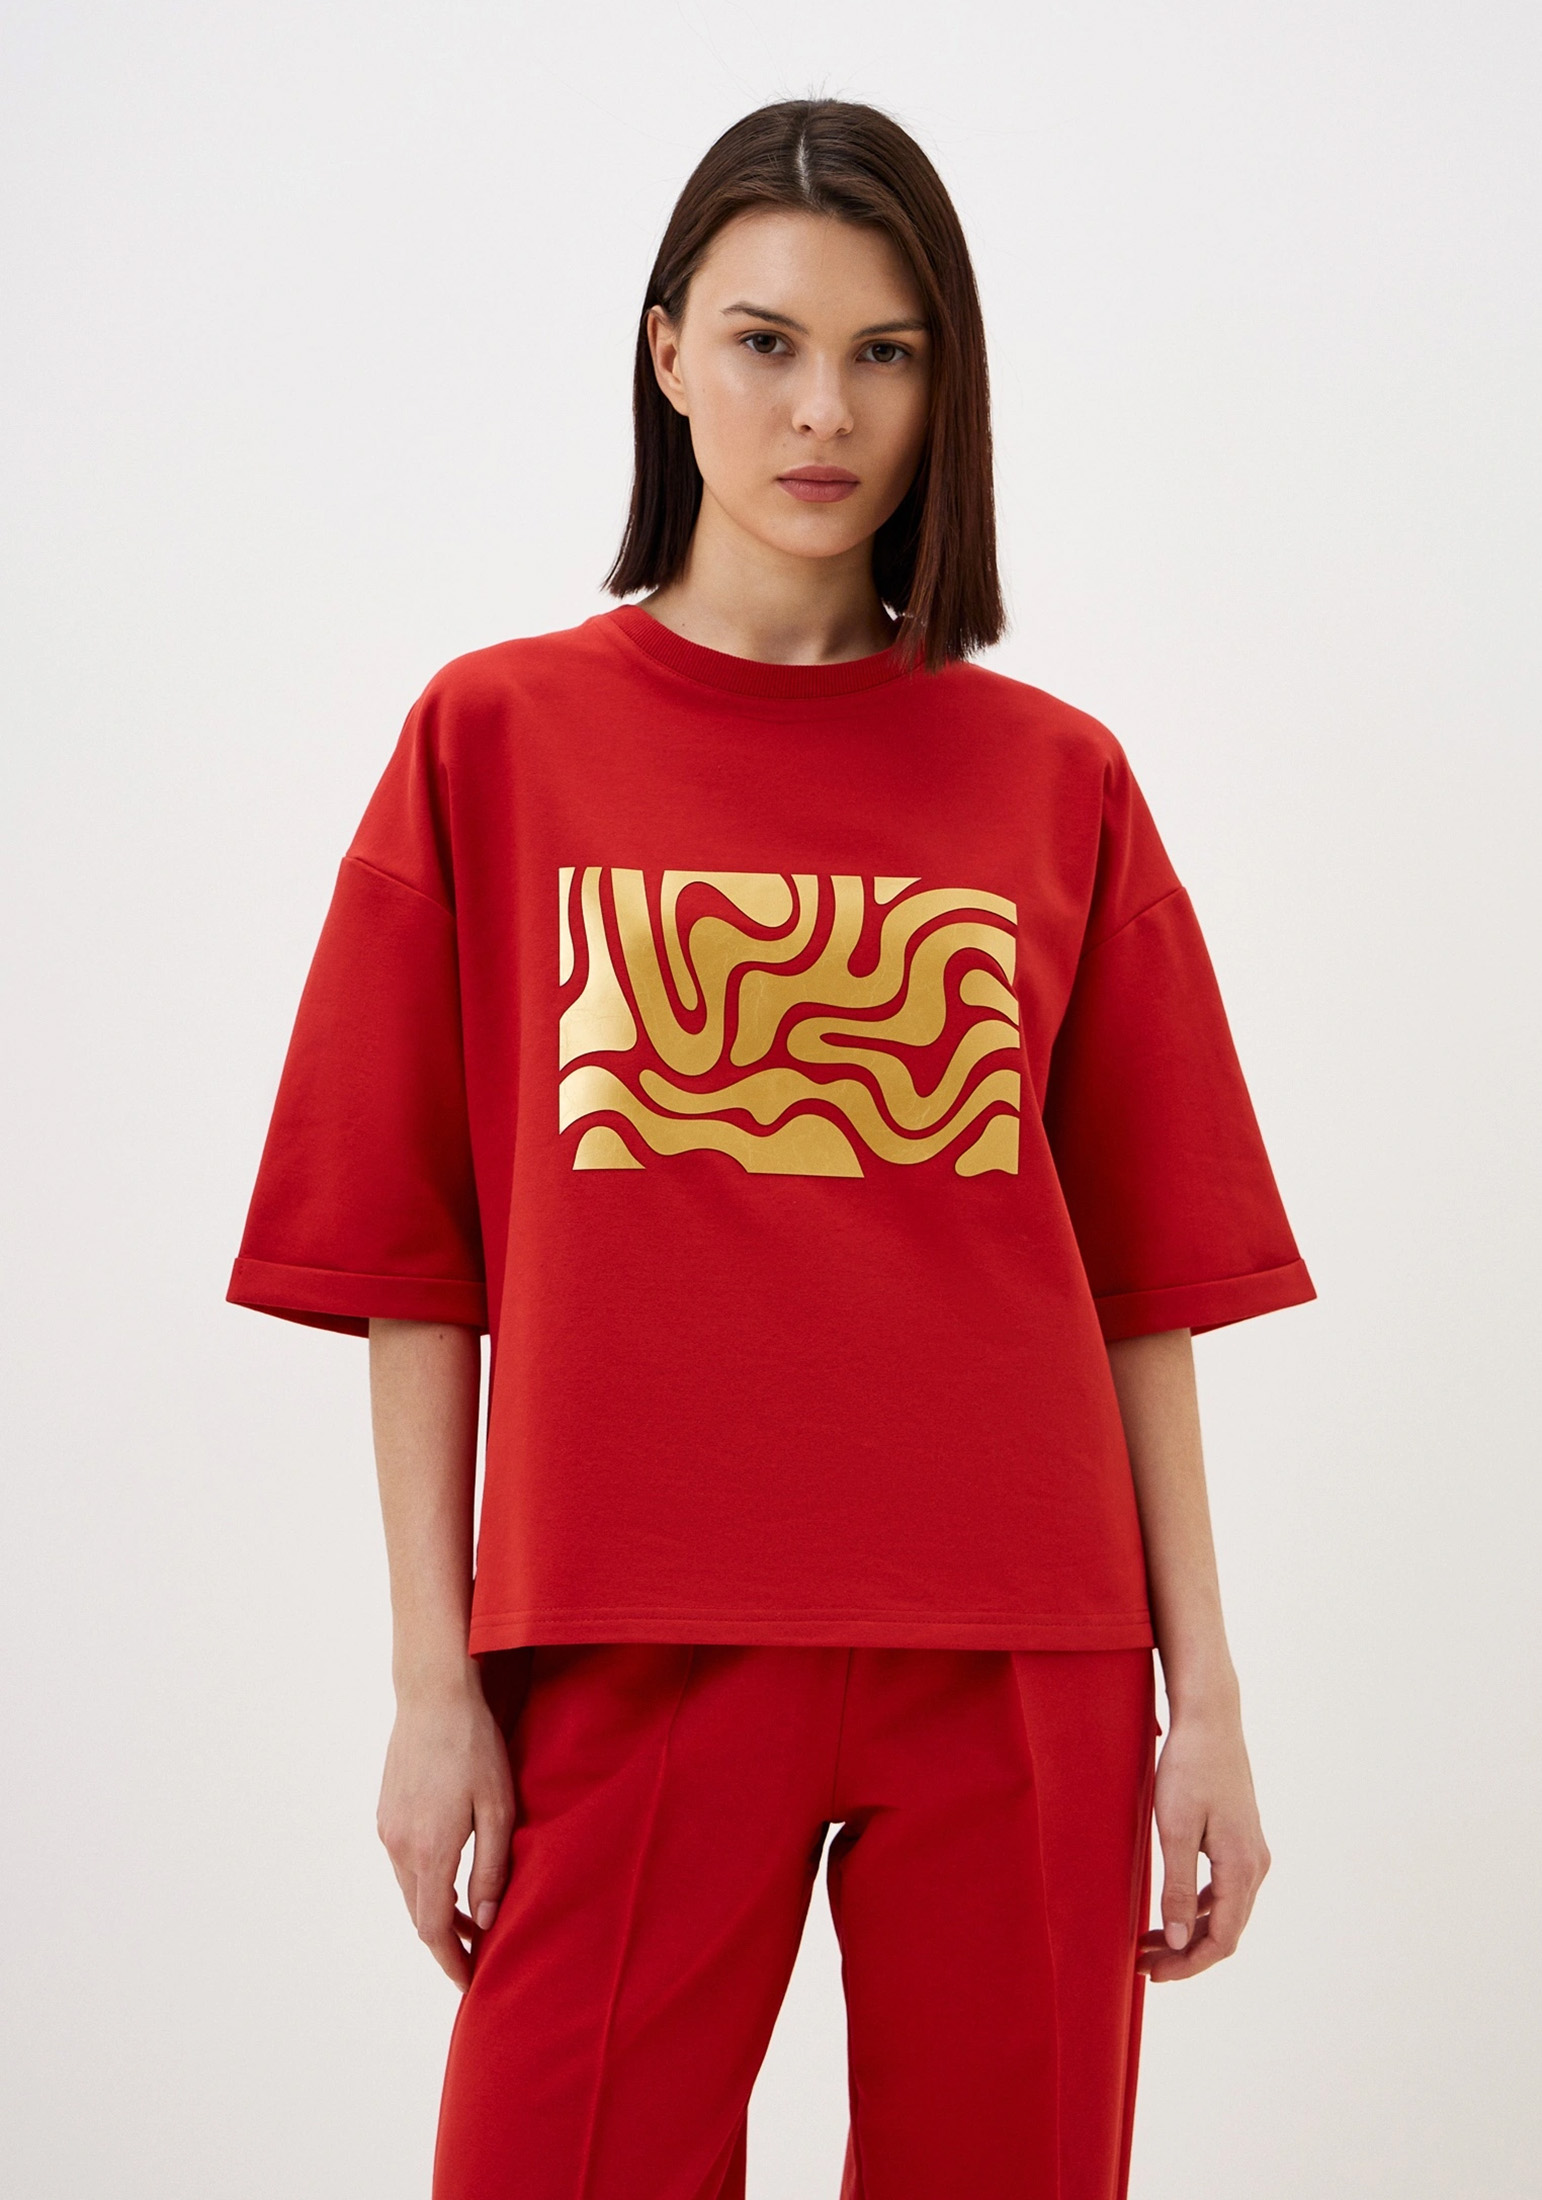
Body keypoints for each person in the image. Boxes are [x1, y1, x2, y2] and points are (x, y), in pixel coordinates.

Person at [228, 97, 1314, 2200]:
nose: (824, 409)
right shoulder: (493, 738)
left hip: (1018, 1637)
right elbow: (409, 1258)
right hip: (624, 1636)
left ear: (944, 383)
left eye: (885, 352)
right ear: (665, 355)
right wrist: (433, 1683)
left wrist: (1210, 1700)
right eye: (765, 342)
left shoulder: (1056, 779)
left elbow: (1142, 1284)